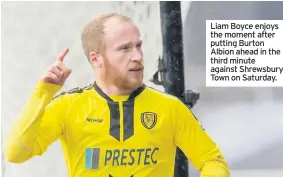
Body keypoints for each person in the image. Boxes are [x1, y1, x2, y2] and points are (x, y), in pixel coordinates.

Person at [4, 13, 230, 177]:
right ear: (96, 58)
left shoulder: (169, 107)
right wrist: (43, 92)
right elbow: (15, 154)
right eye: (124, 49)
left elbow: (213, 160)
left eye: (139, 46)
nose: (137, 56)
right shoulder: (68, 106)